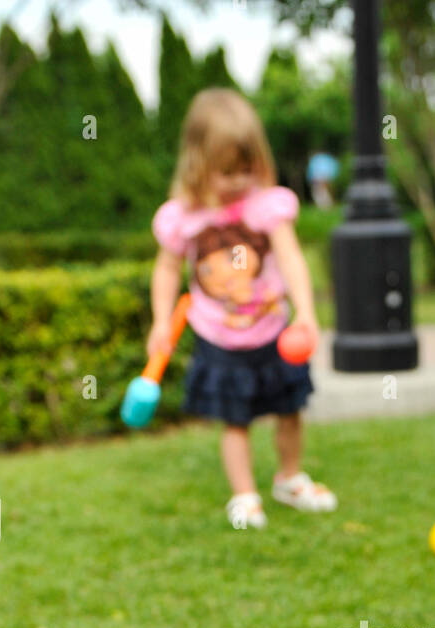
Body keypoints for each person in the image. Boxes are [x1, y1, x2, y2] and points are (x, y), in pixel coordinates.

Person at [148, 88, 336, 529]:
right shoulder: (183, 217)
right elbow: (166, 270)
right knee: (236, 420)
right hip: (219, 337)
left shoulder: (266, 206)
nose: (237, 180)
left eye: (246, 168)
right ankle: (245, 495)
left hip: (272, 330)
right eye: (226, 170)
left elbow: (290, 258)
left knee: (290, 408)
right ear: (197, 163)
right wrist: (160, 322)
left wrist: (306, 313)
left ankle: (289, 478)